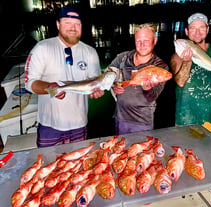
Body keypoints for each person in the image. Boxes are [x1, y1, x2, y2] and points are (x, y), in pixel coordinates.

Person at [170, 12, 211, 203]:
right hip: (185, 115)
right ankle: (189, 183)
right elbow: (180, 82)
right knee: (184, 155)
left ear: (207, 29)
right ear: (186, 31)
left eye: (201, 27)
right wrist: (187, 60)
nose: (197, 32)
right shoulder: (177, 55)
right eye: (193, 28)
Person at [24, 6, 104, 148]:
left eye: (77, 24)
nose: (73, 28)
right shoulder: (42, 48)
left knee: (77, 166)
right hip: (50, 125)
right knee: (47, 165)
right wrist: (49, 87)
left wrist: (97, 89)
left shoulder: (90, 52)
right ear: (58, 24)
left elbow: (95, 81)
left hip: (79, 123)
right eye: (68, 23)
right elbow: (29, 83)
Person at [106, 23, 169, 135]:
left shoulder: (160, 67)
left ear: (155, 40)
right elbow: (107, 75)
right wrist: (113, 85)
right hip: (120, 119)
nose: (142, 44)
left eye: (146, 40)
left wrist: (147, 88)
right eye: (138, 41)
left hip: (143, 123)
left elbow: (153, 96)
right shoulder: (122, 58)